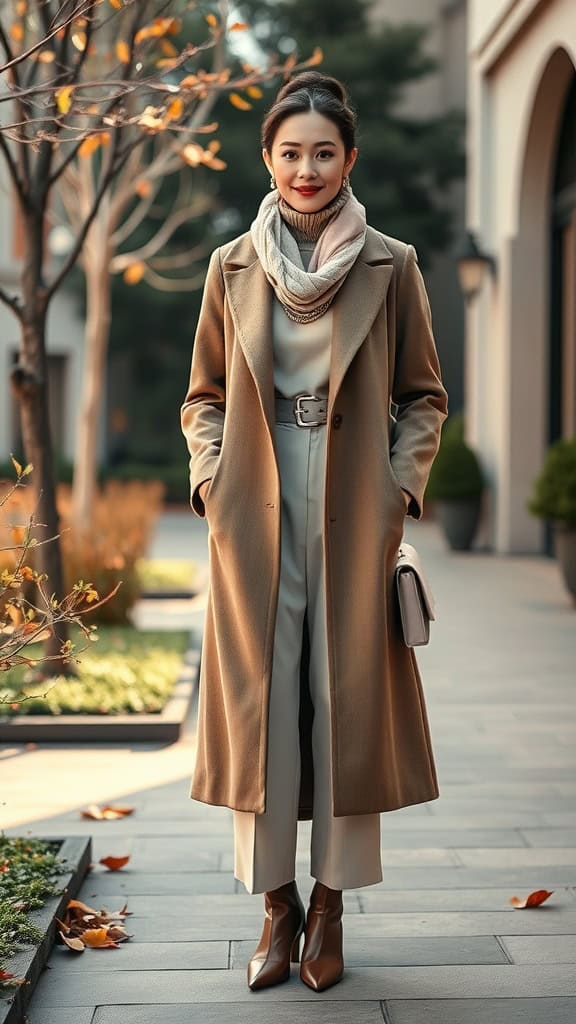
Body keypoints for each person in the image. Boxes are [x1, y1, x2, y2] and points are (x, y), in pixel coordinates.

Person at [180, 70, 449, 994]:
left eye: (323, 153)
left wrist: (399, 491)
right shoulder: (229, 267)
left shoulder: (393, 262)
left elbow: (425, 397)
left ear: (349, 159)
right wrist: (211, 478)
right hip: (252, 512)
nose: (306, 169)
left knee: (344, 706)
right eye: (290, 153)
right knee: (266, 713)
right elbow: (203, 397)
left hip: (352, 508)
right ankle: (276, 904)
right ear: (268, 159)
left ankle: (331, 903)